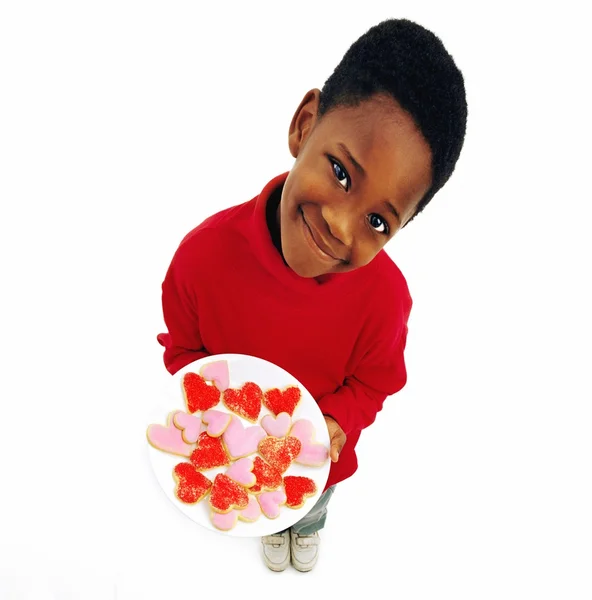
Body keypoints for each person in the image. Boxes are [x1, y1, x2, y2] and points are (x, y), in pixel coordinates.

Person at [156, 18, 467, 572]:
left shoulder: (385, 301)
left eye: (378, 219)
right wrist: (214, 412)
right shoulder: (200, 260)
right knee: (256, 506)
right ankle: (268, 525)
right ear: (304, 126)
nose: (344, 228)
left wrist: (338, 422)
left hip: (315, 464)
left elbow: (374, 381)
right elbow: (183, 353)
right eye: (342, 173)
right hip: (233, 451)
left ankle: (303, 525)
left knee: (311, 505)